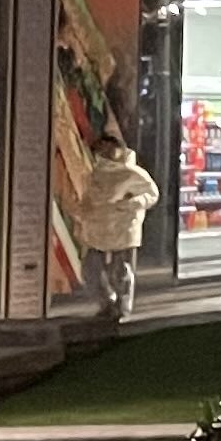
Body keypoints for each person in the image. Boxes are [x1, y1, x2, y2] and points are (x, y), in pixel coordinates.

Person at [73, 126, 159, 319]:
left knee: (120, 270)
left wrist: (131, 204)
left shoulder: (131, 172)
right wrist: (82, 213)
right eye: (101, 148)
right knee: (91, 269)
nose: (106, 152)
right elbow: (88, 199)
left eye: (109, 147)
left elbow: (152, 194)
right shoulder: (95, 174)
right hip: (97, 228)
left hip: (123, 228)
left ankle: (121, 306)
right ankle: (107, 303)